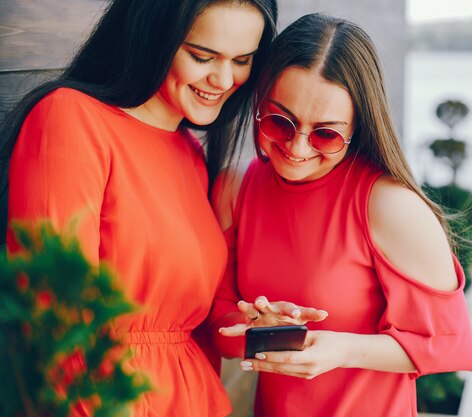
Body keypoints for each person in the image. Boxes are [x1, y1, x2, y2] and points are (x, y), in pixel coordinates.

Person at [2, 0, 277, 415]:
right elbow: (54, 321)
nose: (223, 79)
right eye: (202, 56)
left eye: (242, 60)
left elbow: (200, 327)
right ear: (154, 37)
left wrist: (264, 330)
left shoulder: (191, 155)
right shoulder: (70, 119)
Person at [206, 13, 472, 417]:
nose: (297, 148)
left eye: (326, 134)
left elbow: (447, 343)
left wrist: (343, 349)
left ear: (358, 128)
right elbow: (219, 326)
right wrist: (257, 331)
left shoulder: (388, 205)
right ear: (259, 100)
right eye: (281, 122)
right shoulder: (236, 189)